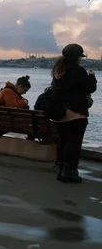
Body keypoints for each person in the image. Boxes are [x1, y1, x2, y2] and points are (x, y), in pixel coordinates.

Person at [51, 43, 97, 183]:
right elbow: (90, 87)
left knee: (63, 140)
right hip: (76, 111)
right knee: (74, 142)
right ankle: (69, 171)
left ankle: (60, 168)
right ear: (77, 57)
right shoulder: (78, 71)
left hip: (60, 111)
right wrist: (92, 76)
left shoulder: (58, 70)